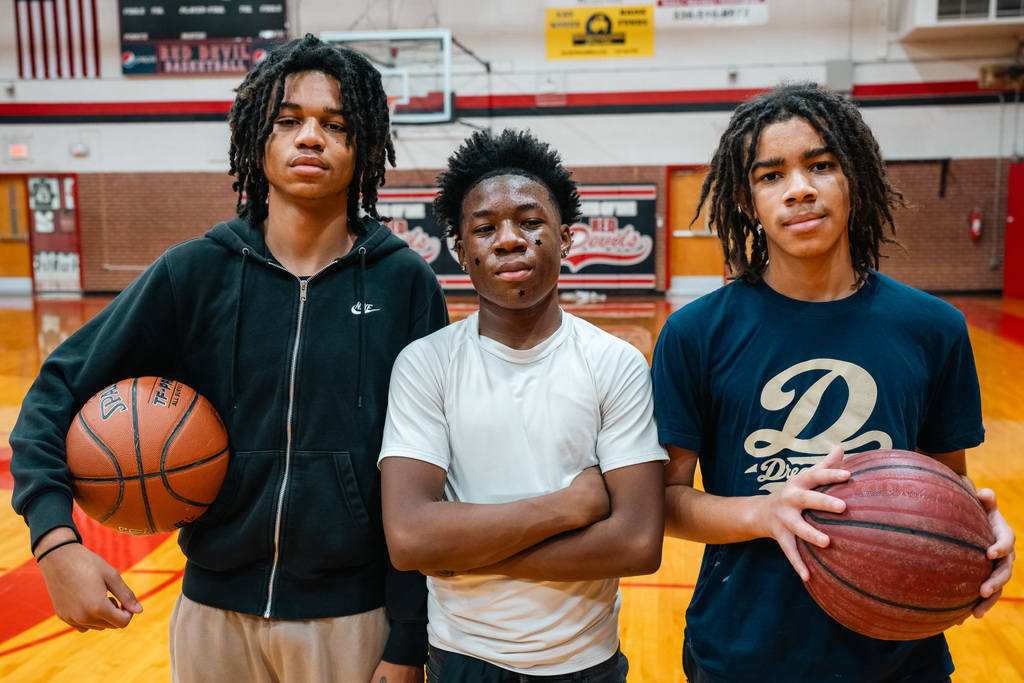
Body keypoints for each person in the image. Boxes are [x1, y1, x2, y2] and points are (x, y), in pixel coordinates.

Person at [10, 34, 447, 683]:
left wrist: (409, 638)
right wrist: (55, 541)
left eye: (334, 123)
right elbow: (54, 392)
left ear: (367, 145)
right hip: (212, 612)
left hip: (353, 619)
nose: (309, 137)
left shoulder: (404, 283)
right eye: (289, 121)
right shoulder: (196, 273)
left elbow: (428, 471)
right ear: (254, 137)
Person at [652, 83, 1016, 682]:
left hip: (899, 659)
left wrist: (978, 534)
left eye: (821, 165)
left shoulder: (934, 329)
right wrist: (765, 512)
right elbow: (664, 502)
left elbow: (950, 484)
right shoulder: (695, 334)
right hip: (745, 650)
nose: (799, 188)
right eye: (771, 175)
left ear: (856, 180)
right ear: (745, 201)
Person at [378, 128, 667, 682]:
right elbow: (412, 537)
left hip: (587, 663)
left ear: (566, 238)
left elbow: (636, 542)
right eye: (485, 228)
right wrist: (569, 508)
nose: (508, 239)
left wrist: (463, 552)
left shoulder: (616, 363)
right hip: (463, 660)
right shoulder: (425, 365)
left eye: (530, 222)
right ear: (461, 252)